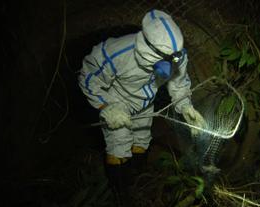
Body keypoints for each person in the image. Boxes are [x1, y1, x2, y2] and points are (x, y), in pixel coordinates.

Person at [78, 9, 205, 183]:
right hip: (117, 99)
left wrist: (185, 107)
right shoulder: (117, 52)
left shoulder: (178, 56)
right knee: (119, 143)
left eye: (173, 59)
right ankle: (121, 192)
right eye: (163, 59)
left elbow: (179, 84)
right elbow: (88, 77)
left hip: (145, 102)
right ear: (148, 48)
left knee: (142, 140)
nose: (169, 66)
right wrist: (106, 107)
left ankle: (138, 179)